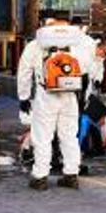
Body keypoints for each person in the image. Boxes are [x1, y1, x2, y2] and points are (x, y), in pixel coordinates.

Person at [18, 19, 92, 190]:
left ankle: (40, 177)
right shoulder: (75, 45)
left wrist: (24, 97)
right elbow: (86, 67)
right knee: (69, 136)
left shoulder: (36, 45)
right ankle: (71, 174)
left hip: (46, 96)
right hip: (69, 95)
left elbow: (24, 71)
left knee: (43, 137)